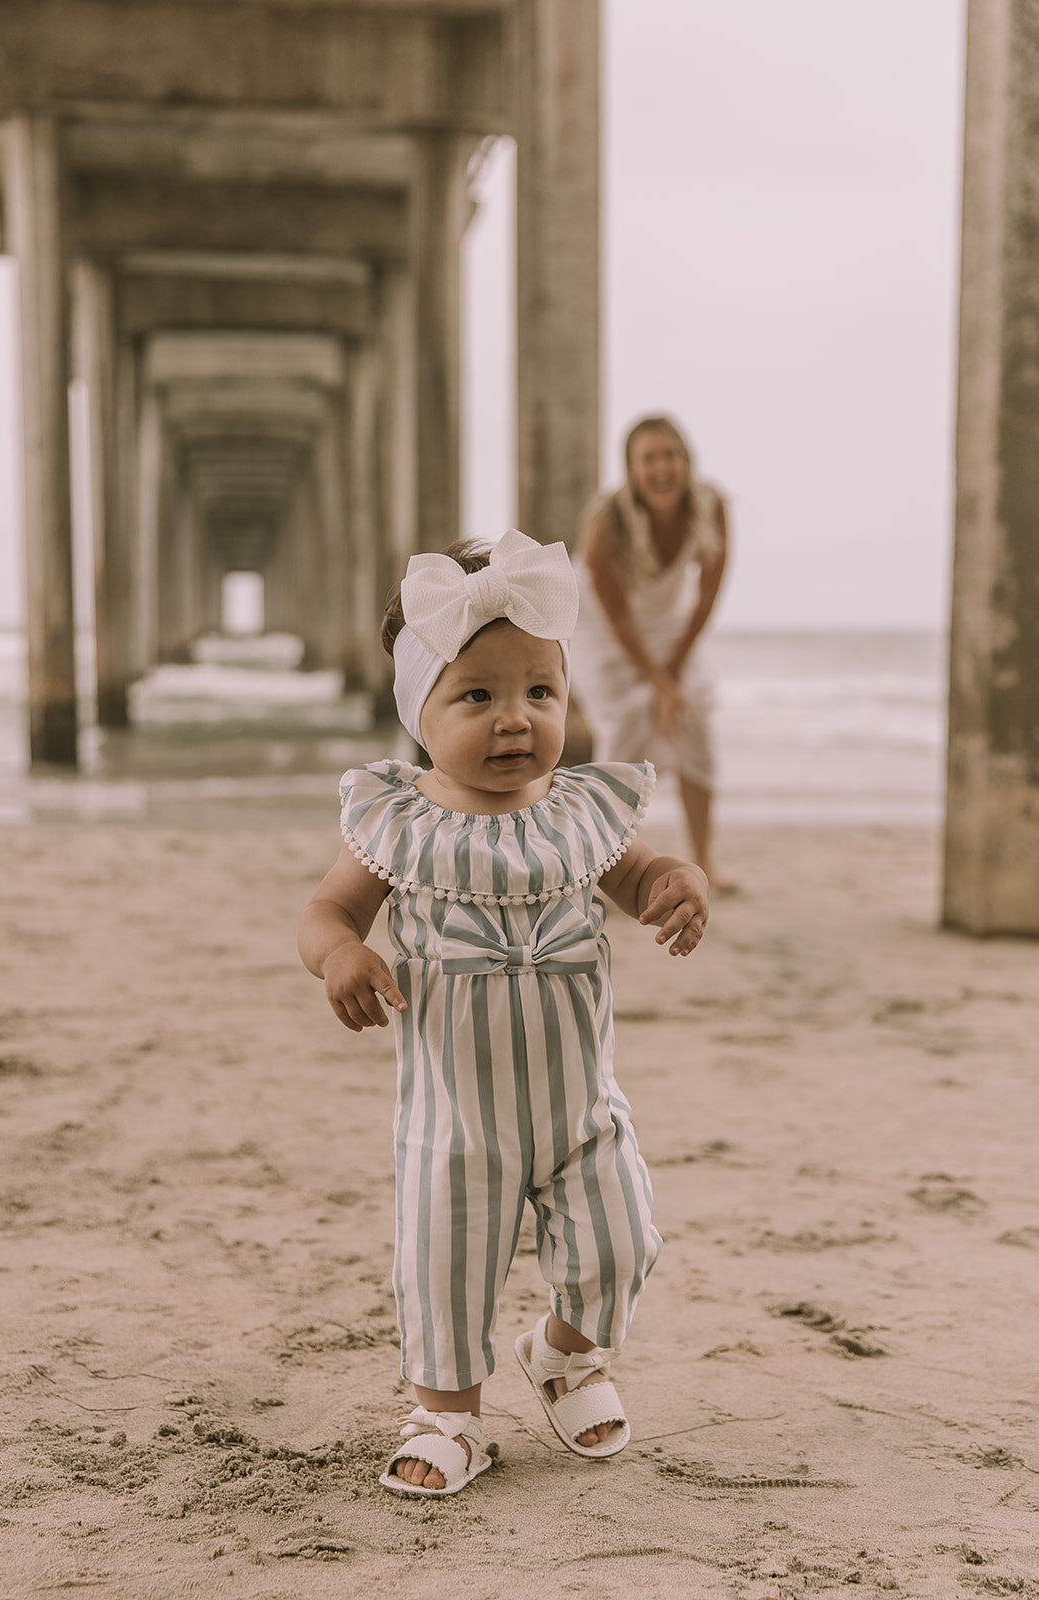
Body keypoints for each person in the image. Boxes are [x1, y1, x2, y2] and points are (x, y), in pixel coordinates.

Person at [298, 528, 710, 1497]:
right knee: (443, 1266)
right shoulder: (402, 821)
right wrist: (341, 955)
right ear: (419, 711)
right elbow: (327, 911)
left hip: (578, 1110)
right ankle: (447, 1411)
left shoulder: (579, 813)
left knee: (622, 1241)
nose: (514, 718)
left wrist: (673, 879)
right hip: (455, 1121)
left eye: (539, 691)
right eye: (475, 695)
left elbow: (637, 872)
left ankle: (563, 1352)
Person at [570, 415, 734, 889]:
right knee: (629, 724)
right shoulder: (606, 522)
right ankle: (602, 863)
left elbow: (707, 595)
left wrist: (674, 674)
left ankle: (704, 859)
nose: (661, 468)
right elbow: (617, 616)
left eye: (671, 455)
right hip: (603, 629)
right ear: (631, 470)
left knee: (694, 717)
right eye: (649, 459)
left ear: (687, 461)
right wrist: (656, 683)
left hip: (671, 628)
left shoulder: (711, 506)